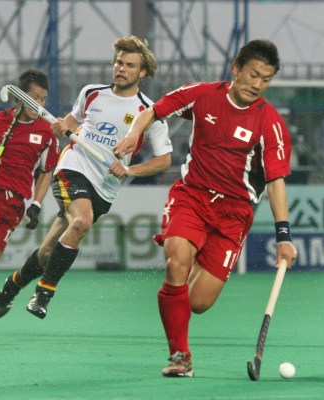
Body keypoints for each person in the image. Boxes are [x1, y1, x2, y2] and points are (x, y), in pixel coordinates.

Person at [113, 39, 297, 378]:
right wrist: (134, 134)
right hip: (193, 196)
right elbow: (152, 111)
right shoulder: (203, 95)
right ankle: (180, 356)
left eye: (266, 79)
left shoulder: (269, 123)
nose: (257, 84)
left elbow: (275, 182)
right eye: (253, 74)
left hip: (234, 213)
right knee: (176, 261)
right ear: (236, 69)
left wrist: (283, 236)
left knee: (197, 302)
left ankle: (184, 277)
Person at [0, 36, 172, 321]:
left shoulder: (149, 111)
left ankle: (10, 288)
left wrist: (130, 170)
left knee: (47, 251)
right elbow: (70, 124)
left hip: (105, 186)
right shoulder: (92, 93)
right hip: (74, 167)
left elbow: (164, 160)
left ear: (142, 72)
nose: (121, 69)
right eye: (118, 63)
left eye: (129, 65)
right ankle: (44, 293)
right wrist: (61, 128)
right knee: (82, 221)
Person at [0, 69, 60, 335]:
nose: (39, 104)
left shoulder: (47, 132)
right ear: (19, 97)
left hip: (15, 203)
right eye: (34, 97)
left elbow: (46, 171)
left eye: (43, 98)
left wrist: (37, 204)